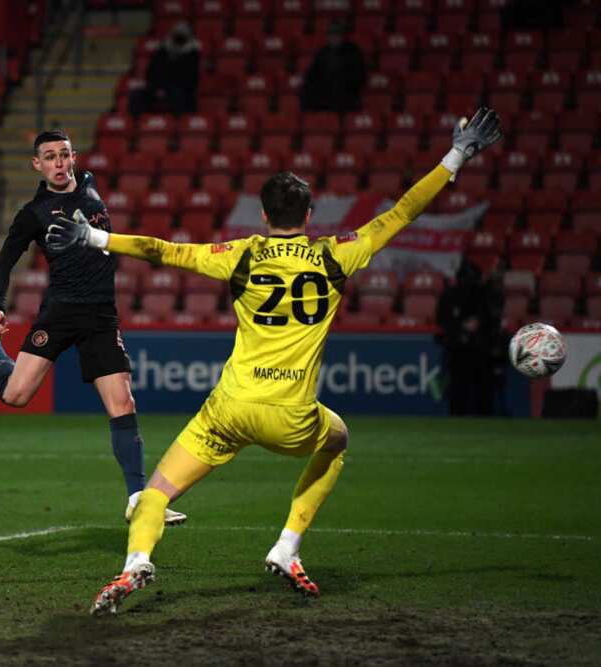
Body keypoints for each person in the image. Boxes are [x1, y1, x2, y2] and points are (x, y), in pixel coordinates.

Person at [45, 108, 502, 614]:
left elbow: (162, 250)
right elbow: (403, 212)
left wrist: (94, 237)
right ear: (309, 217)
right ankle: (287, 546)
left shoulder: (240, 254)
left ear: (263, 216)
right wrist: (457, 154)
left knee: (155, 494)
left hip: (229, 409)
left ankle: (135, 564)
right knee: (339, 439)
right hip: (291, 417)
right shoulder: (336, 254)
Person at [0, 130, 186, 526]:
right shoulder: (34, 212)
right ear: (37, 164)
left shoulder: (89, 184)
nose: (58, 162)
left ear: (73, 158)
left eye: (64, 154)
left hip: (101, 315)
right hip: (60, 313)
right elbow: (5, 259)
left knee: (123, 404)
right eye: (49, 156)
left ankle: (138, 497)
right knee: (16, 395)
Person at [436, 260, 504, 416]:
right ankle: (457, 419)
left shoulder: (485, 295)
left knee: (483, 390)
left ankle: (484, 420)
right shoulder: (449, 295)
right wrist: (461, 326)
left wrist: (479, 322)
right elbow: (442, 320)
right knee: (458, 389)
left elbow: (494, 318)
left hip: (481, 347)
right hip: (457, 347)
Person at [129, 21, 201, 117]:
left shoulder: (192, 53)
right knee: (136, 94)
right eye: (177, 35)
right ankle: (138, 123)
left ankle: (178, 125)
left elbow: (191, 78)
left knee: (181, 97)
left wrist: (167, 87)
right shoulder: (162, 50)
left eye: (182, 36)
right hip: (158, 86)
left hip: (180, 88)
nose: (179, 38)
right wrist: (158, 88)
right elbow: (151, 71)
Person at [299, 19, 367, 113]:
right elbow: (311, 74)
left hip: (346, 94)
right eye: (331, 33)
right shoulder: (322, 52)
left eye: (337, 32)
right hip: (325, 94)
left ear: (343, 34)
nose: (334, 36)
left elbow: (359, 77)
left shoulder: (353, 52)